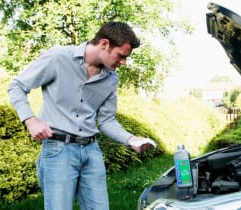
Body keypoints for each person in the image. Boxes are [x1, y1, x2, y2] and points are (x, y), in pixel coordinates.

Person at [8, 21, 156, 210]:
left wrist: (131, 139)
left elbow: (106, 120)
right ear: (104, 44)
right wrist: (30, 120)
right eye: (121, 56)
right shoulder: (58, 58)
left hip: (91, 152)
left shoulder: (111, 79)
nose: (124, 62)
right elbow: (17, 86)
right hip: (58, 150)